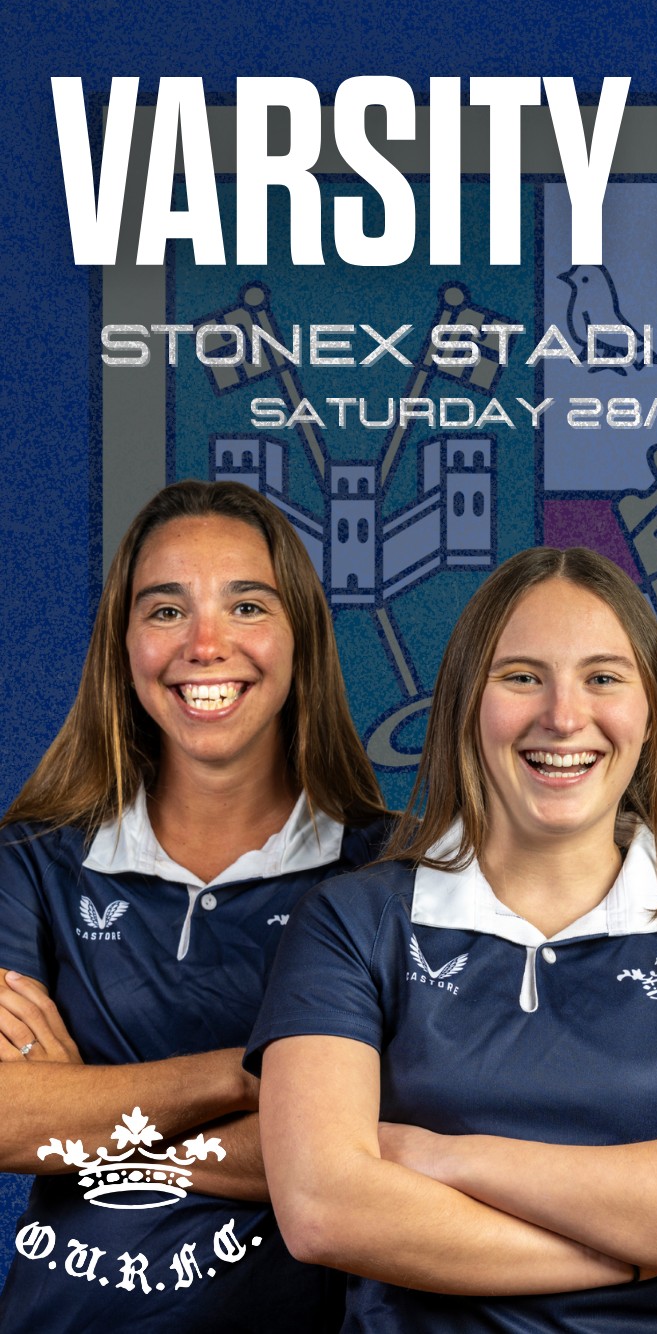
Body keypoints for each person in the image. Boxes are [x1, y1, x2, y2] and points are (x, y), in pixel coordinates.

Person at [248, 545, 657, 1332]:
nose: (563, 716)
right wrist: (645, 1239)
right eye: (522, 677)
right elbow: (325, 1209)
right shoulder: (353, 921)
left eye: (604, 678)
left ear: (651, 710)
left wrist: (445, 1157)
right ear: (463, 705)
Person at [0, 479, 388, 1332]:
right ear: (123, 643)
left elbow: (377, 1144)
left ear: (302, 641)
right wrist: (252, 1075)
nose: (206, 645)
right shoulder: (31, 862)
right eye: (166, 610)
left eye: (247, 605)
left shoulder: (389, 871)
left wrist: (87, 1117)